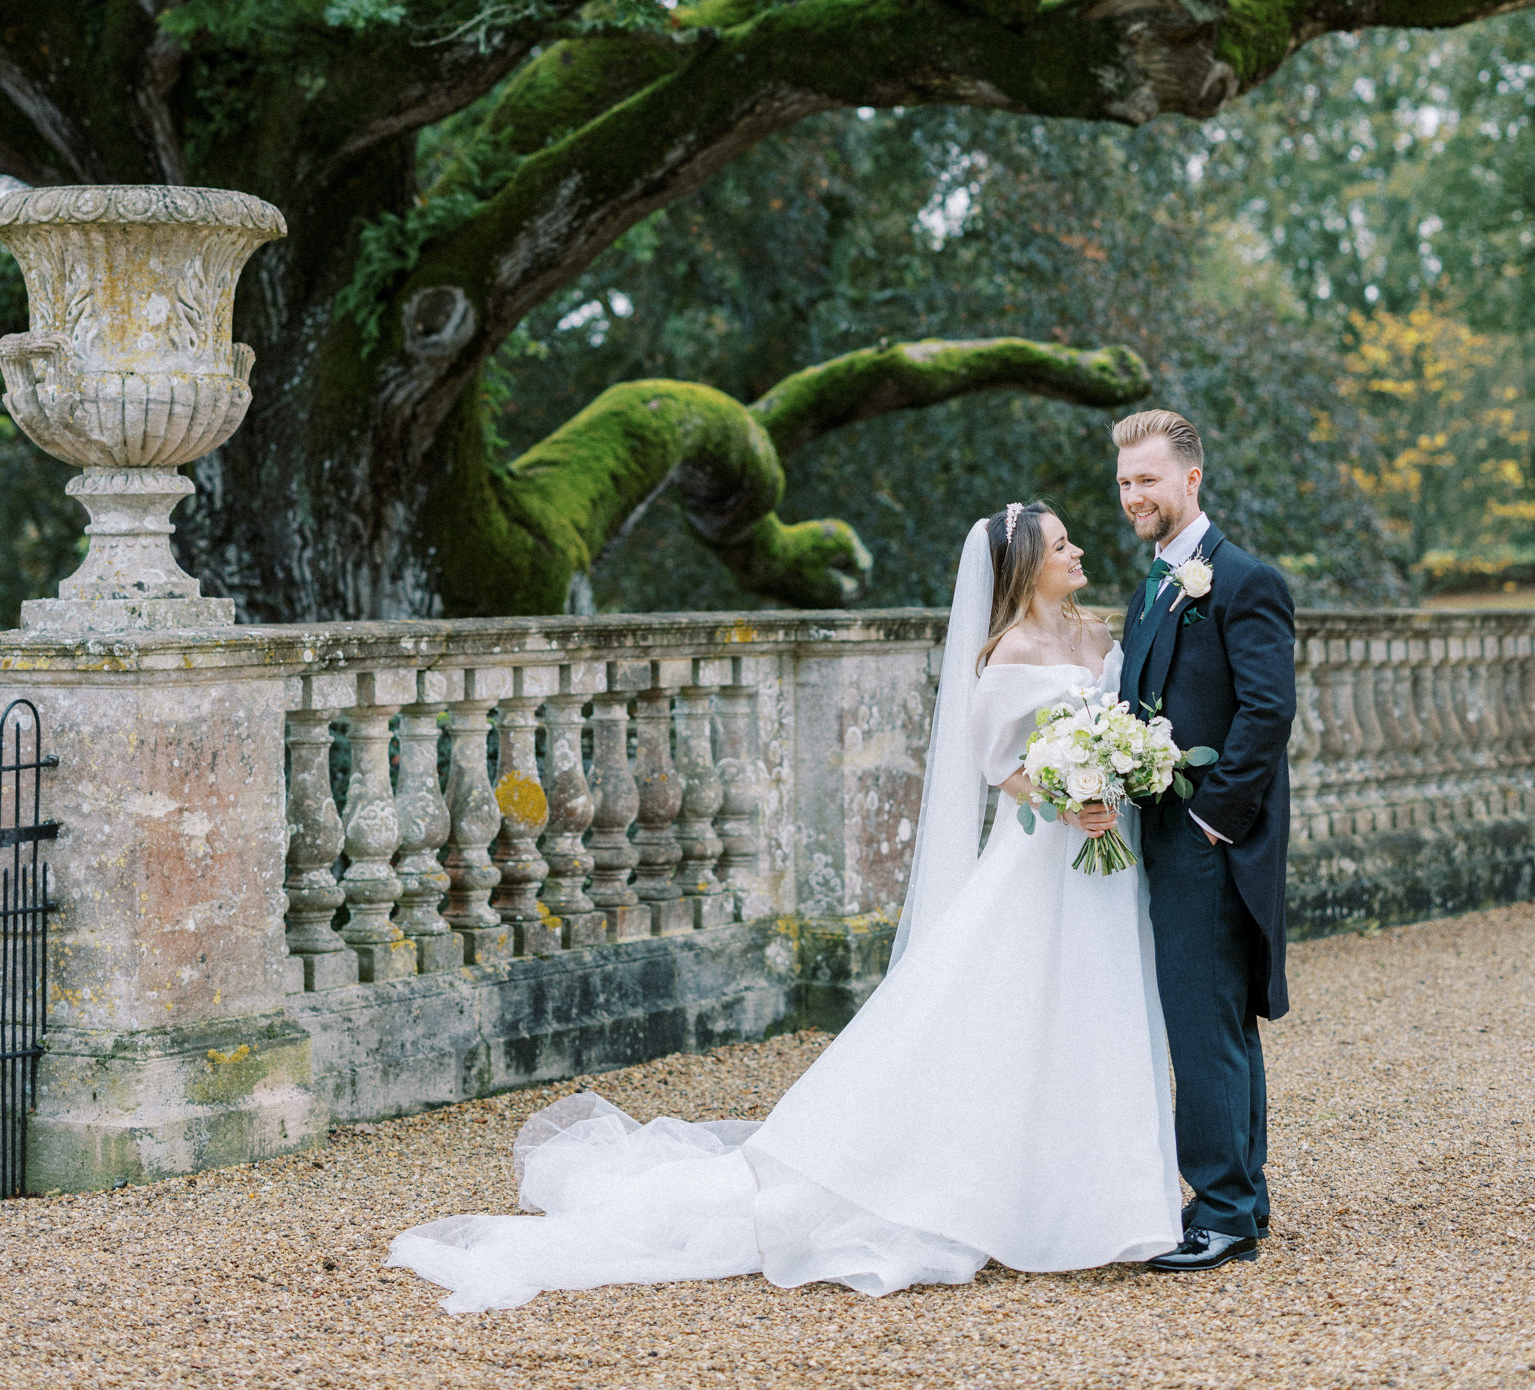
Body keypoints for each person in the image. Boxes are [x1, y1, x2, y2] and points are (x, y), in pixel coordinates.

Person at [389, 503, 1183, 1312]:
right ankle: (987, 1194)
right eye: (1059, 545)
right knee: (1007, 1014)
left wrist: (1119, 777)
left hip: (1106, 862)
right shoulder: (1008, 651)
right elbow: (997, 764)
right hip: (1044, 853)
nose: (1076, 549)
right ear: (1025, 567)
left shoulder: (1097, 637)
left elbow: (1127, 722)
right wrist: (1066, 795)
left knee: (1094, 1009)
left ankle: (1101, 1201)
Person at [1112, 408, 1297, 1274]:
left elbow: (1268, 710)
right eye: (1123, 482)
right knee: (1217, 1021)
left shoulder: (1243, 580)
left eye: (1146, 479)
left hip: (1212, 840)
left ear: (1190, 479)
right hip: (1164, 833)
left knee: (1203, 1024)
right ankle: (1243, 1199)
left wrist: (1210, 816)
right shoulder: (1154, 583)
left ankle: (1219, 1212)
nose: (1131, 496)